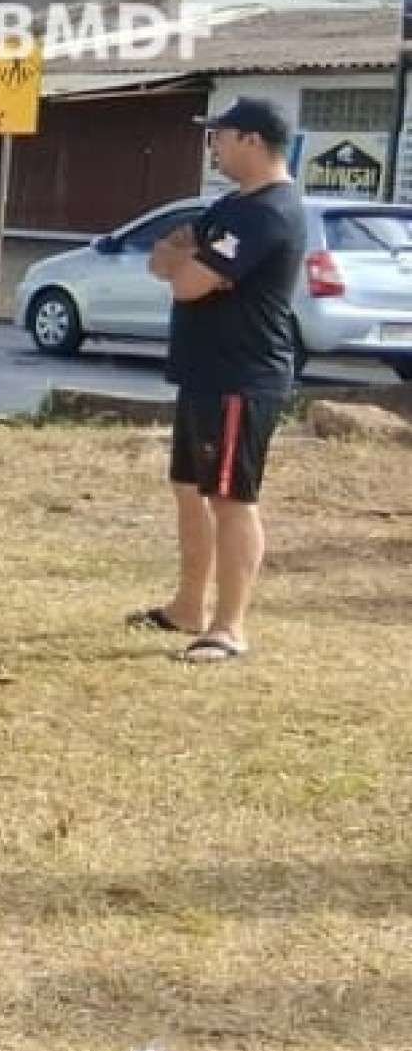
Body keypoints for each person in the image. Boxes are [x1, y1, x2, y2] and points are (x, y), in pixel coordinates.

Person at [138, 96, 306, 665]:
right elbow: (163, 259)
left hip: (242, 376)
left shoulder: (269, 213)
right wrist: (187, 262)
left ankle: (229, 627)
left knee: (231, 498)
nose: (214, 147)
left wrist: (190, 265)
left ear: (252, 140)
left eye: (221, 136)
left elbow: (187, 282)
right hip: (203, 372)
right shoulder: (231, 206)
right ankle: (187, 607)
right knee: (190, 489)